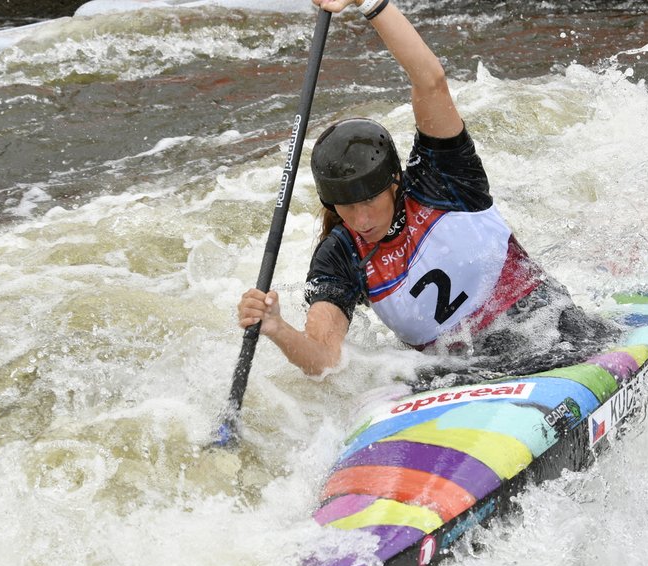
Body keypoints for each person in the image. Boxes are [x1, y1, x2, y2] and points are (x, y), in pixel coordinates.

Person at [237, 0, 613, 387]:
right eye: (347, 207)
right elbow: (323, 358)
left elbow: (429, 79)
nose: (362, 220)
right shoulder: (340, 256)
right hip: (460, 373)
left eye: (370, 201)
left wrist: (369, 3)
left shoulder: (442, 178)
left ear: (394, 182)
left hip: (550, 329)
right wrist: (277, 328)